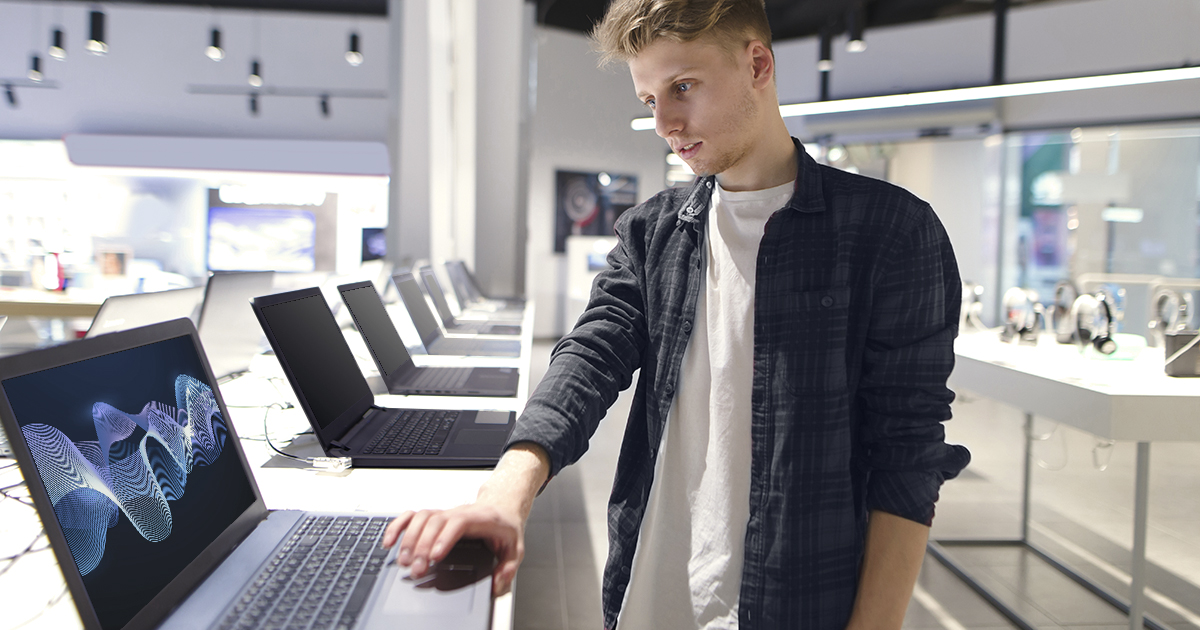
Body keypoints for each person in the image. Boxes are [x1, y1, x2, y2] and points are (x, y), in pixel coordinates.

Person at [382, 0, 970, 627]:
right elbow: (590, 356)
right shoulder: (652, 232)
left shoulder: (891, 232)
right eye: (649, 100)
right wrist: (504, 496)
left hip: (797, 598)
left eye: (682, 87)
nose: (665, 121)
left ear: (758, 64)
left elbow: (906, 453)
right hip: (649, 594)